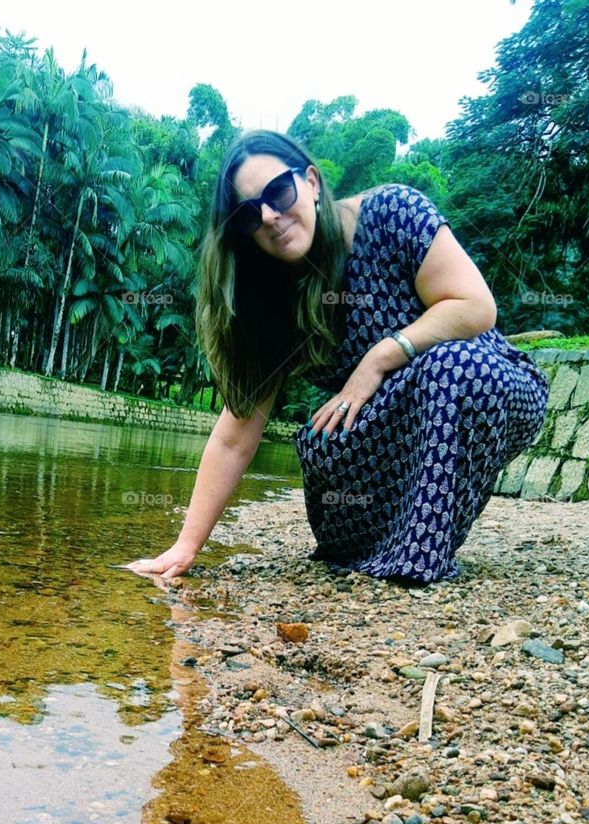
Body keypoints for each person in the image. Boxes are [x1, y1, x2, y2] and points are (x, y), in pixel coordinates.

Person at [125, 130, 549, 586]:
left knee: (452, 370)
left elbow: (477, 308)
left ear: (311, 181)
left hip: (489, 384)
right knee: (321, 444)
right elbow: (235, 435)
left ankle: (419, 558)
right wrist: (185, 546)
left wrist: (380, 358)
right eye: (250, 214)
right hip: (392, 416)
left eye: (278, 192)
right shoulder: (273, 297)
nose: (269, 216)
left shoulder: (393, 214)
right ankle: (383, 551)